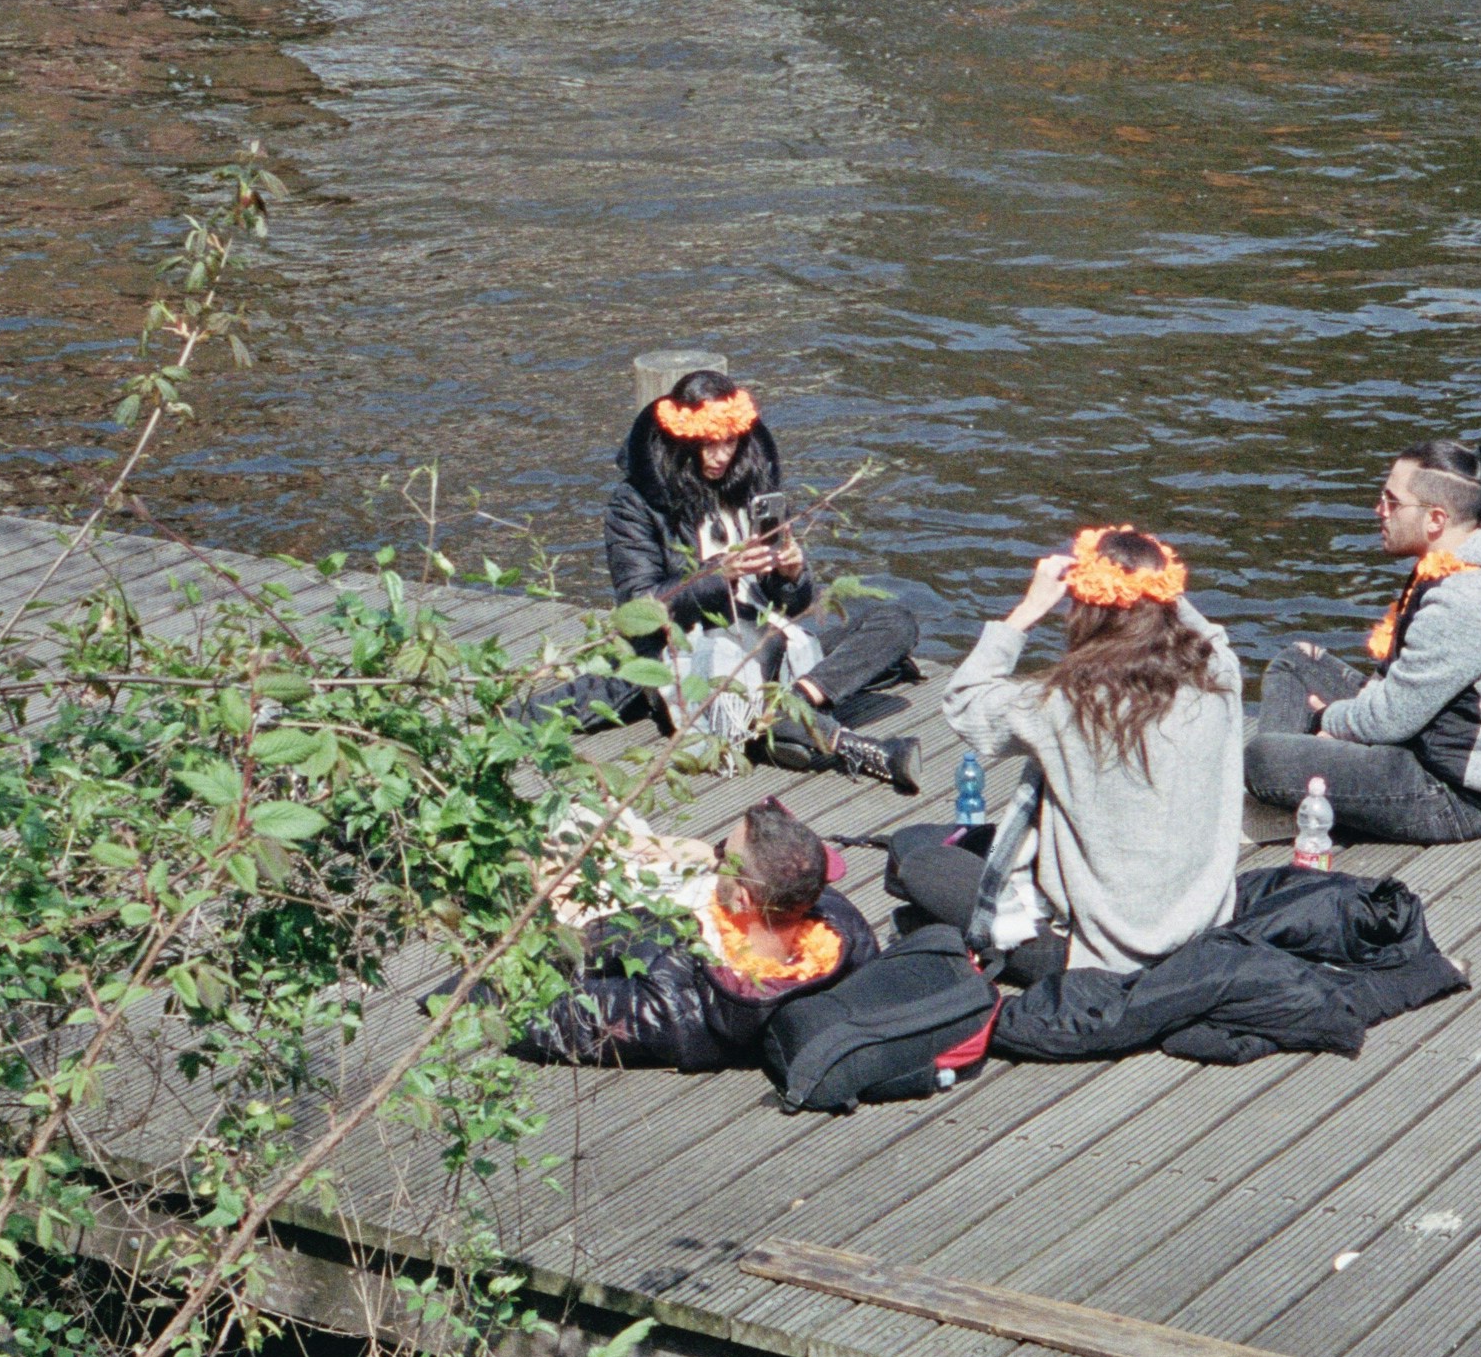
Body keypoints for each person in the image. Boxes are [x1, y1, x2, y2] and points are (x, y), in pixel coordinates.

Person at [889, 527, 1244, 983]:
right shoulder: (1218, 678)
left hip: (1093, 952)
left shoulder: (1066, 704)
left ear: (1086, 610)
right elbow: (1209, 633)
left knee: (913, 853)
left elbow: (964, 701)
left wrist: (1029, 608)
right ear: (1167, 595)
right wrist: (1148, 572)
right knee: (951, 846)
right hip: (1200, 932)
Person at [553, 367, 922, 790]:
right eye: (707, 445)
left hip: (770, 631)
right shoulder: (633, 504)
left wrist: (792, 574)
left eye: (729, 443)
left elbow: (791, 603)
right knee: (763, 653)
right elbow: (638, 609)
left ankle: (794, 704)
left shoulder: (750, 487)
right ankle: (854, 746)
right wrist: (717, 577)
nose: (720, 456)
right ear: (679, 443)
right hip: (694, 652)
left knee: (894, 621)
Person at [1246, 439, 1481, 845]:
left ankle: (1286, 787)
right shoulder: (1457, 566)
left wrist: (1329, 721)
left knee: (1261, 759)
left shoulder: (1471, 597)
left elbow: (1391, 719)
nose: (1380, 510)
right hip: (1425, 740)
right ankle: (1292, 796)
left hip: (1456, 794)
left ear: (1435, 520)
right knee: (1296, 663)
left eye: (1392, 502)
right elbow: (1397, 683)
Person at [510, 801, 879, 1070]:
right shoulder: (843, 931)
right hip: (680, 905)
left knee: (536, 844)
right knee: (598, 807)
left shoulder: (674, 1007)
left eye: (725, 859)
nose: (718, 860)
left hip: (615, 923)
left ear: (742, 896)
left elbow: (544, 1016)